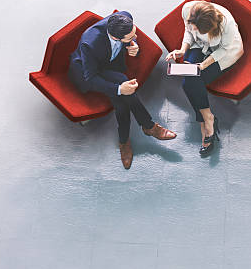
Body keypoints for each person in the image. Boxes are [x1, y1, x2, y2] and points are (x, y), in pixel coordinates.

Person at [69, 11, 177, 169]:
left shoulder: (125, 17)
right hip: (91, 72)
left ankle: (125, 141)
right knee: (122, 91)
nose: (135, 37)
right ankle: (147, 127)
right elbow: (90, 79)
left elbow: (132, 40)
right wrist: (120, 89)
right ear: (115, 37)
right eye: (130, 37)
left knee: (121, 101)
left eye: (134, 32)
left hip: (112, 65)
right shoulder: (90, 44)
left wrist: (134, 47)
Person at [165, 1, 244, 156]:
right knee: (189, 80)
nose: (194, 29)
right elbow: (189, 32)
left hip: (223, 53)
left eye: (197, 28)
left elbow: (223, 50)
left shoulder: (226, 24)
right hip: (199, 45)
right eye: (193, 25)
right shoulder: (187, 9)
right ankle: (208, 118)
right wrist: (182, 50)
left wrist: (203, 65)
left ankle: (204, 121)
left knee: (191, 80)